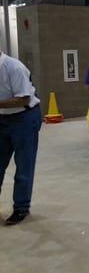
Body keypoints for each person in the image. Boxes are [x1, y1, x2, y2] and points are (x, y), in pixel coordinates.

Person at [0, 49, 41, 225]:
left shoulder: (13, 67)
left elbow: (23, 99)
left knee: (24, 166)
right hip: (2, 117)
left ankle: (21, 208)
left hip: (24, 118)